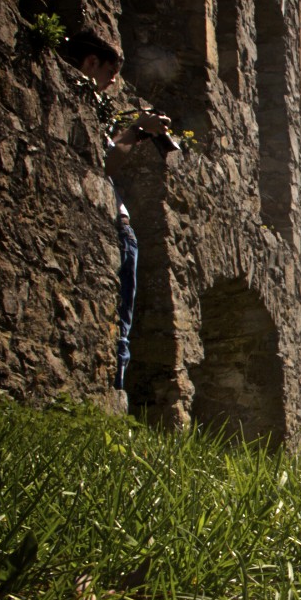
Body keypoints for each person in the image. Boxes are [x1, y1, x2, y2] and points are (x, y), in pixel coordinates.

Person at [60, 30, 172, 392]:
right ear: (91, 62)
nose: (112, 83)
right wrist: (137, 129)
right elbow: (103, 162)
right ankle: (115, 392)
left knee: (118, 315)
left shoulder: (84, 105)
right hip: (115, 225)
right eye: (110, 73)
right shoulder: (77, 101)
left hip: (117, 224)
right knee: (120, 318)